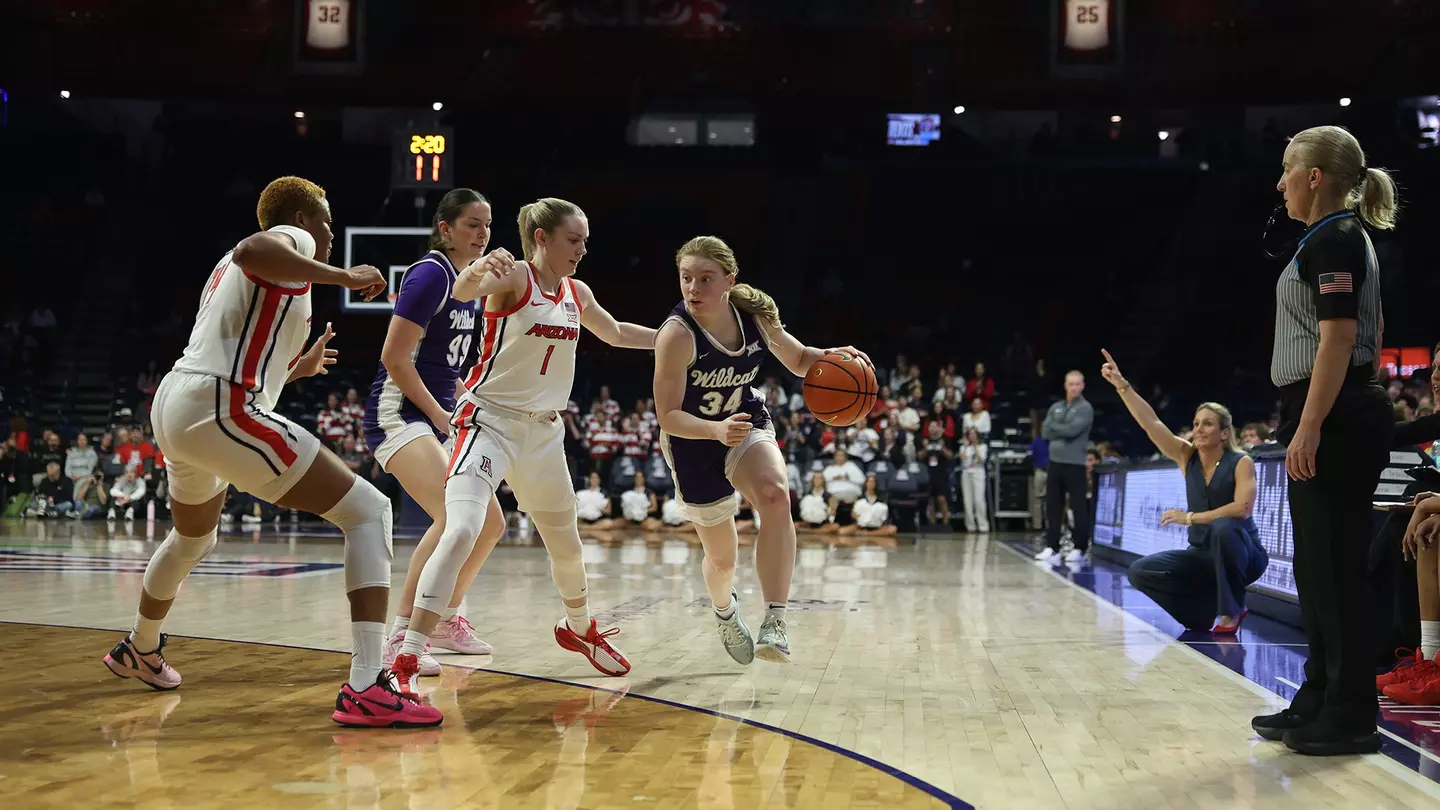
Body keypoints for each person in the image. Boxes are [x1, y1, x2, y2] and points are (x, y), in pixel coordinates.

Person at [98, 176, 441, 728]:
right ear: (304, 220)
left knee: (193, 537)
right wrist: (344, 277)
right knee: (369, 510)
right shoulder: (289, 238)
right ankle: (367, 685)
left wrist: (294, 368)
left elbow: (238, 337)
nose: (330, 233)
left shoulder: (248, 274)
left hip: (179, 403)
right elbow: (253, 248)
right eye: (327, 222)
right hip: (219, 406)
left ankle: (139, 647)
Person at [390, 197, 656, 693]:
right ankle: (406, 652)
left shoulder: (577, 292)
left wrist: (676, 340)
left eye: (584, 241)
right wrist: (474, 273)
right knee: (463, 527)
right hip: (488, 422)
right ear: (542, 238)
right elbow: (467, 289)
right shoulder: (512, 276)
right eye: (573, 240)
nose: (581, 250)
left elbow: (617, 333)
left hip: (543, 435)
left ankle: (580, 631)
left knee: (567, 545)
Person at [652, 234, 870, 666]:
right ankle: (725, 610)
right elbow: (668, 416)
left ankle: (776, 619)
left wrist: (835, 357)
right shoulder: (676, 336)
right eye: (686, 278)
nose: (694, 288)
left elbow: (799, 358)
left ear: (729, 280)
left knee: (775, 495)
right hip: (694, 441)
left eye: (705, 278)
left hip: (745, 421)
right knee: (722, 558)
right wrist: (715, 431)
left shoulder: (752, 315)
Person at [1251, 125, 1397, 756]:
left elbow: (1339, 340)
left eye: (1288, 169)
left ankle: (1352, 712)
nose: (1279, 182)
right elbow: (1377, 327)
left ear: (1315, 177)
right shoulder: (1333, 238)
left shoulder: (1335, 236)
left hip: (1334, 413)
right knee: (1315, 570)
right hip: (1331, 406)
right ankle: (1319, 694)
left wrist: (1310, 424)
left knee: (1336, 571)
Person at [364, 189, 509, 678]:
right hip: (398, 414)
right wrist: (441, 416)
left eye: (487, 225)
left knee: (491, 523)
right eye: (472, 224)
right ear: (445, 229)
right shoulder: (430, 274)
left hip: (439, 412)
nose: (483, 233)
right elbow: (394, 358)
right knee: (453, 518)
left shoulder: (476, 284)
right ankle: (400, 638)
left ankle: (447, 616)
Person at [1099, 350, 1269, 633]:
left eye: (1207, 424)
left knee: (1224, 527)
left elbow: (1242, 508)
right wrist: (1122, 386)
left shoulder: (1241, 461)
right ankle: (1199, 614)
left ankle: (1233, 608)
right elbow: (1150, 423)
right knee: (1140, 572)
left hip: (1245, 555)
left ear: (1224, 433)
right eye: (1196, 423)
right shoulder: (1186, 456)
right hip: (1202, 555)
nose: (1199, 429)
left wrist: (1191, 518)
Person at [1035, 370, 1094, 564]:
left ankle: (1080, 548)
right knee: (1053, 506)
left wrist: (1057, 429)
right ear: (1065, 385)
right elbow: (1045, 431)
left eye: (1078, 384)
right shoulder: (1056, 407)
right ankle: (1053, 547)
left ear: (1083, 385)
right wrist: (1060, 429)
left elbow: (1072, 431)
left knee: (1078, 507)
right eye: (1071, 384)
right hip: (1055, 462)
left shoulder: (1085, 408)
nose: (1074, 387)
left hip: (1075, 464)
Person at [958, 428, 989, 533]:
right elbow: (962, 459)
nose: (972, 436)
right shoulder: (963, 447)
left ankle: (983, 525)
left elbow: (981, 460)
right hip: (966, 472)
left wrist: (975, 447)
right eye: (970, 434)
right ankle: (970, 525)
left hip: (978, 472)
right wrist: (966, 447)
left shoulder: (983, 447)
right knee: (967, 500)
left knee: (979, 500)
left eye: (973, 434)